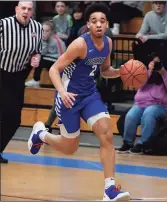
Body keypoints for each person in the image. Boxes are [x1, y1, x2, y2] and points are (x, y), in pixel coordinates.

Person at [28, 3, 130, 201]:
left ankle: (109, 189)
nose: (99, 24)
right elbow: (53, 69)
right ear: (88, 25)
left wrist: (121, 72)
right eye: (94, 21)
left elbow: (105, 71)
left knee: (107, 134)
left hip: (90, 95)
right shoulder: (80, 44)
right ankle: (41, 134)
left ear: (107, 23)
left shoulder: (108, 43)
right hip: (69, 97)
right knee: (70, 148)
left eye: (102, 21)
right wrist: (62, 92)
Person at [0, 1, 43, 163]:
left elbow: (37, 50)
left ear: (32, 12)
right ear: (17, 9)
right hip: (1, 71)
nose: (26, 11)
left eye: (29, 9)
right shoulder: (4, 25)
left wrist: (36, 58)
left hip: (18, 75)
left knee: (14, 119)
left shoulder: (37, 28)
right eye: (23, 8)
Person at [117, 52, 167, 154]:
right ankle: (127, 143)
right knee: (131, 114)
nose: (155, 64)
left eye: (158, 62)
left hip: (161, 106)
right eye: (153, 62)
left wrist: (163, 72)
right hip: (141, 104)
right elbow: (139, 84)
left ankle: (144, 144)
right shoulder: (144, 73)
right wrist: (148, 71)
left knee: (149, 112)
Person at [133, 1, 167, 66]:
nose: (158, 5)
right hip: (153, 41)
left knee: (162, 45)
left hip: (166, 41)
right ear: (153, 5)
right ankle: (142, 67)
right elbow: (142, 31)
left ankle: (161, 70)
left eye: (160, 3)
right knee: (136, 44)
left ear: (165, 4)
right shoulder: (148, 15)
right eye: (156, 3)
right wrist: (138, 36)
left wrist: (148, 37)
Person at [25, 21, 66, 87]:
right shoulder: (41, 40)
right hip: (48, 60)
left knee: (40, 59)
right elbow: (41, 52)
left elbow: (63, 55)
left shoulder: (57, 40)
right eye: (42, 31)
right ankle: (24, 79)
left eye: (47, 31)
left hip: (58, 61)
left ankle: (36, 81)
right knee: (33, 58)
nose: (44, 33)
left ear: (52, 32)